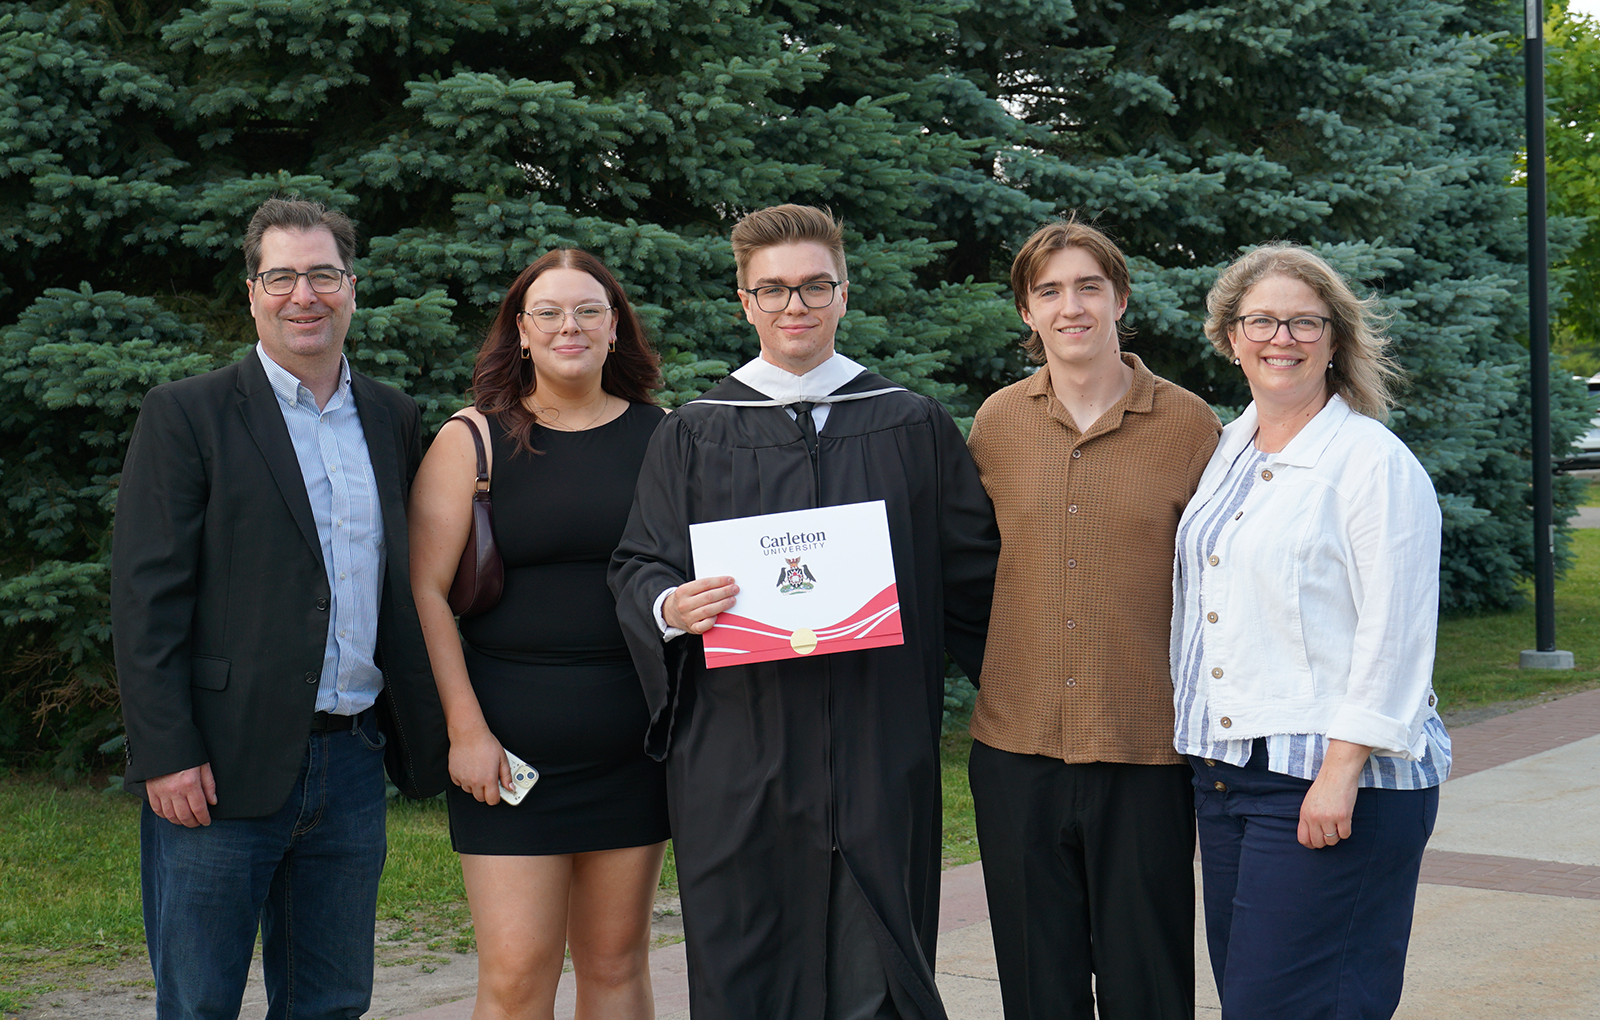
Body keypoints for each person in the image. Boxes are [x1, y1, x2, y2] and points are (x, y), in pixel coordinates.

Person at [608, 204, 1000, 1020]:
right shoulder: (696, 432)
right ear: (745, 301)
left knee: (878, 968)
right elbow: (640, 564)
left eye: (814, 287)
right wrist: (671, 606)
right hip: (739, 751)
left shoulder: (909, 421)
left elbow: (975, 578)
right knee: (747, 960)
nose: (796, 306)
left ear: (843, 293)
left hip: (877, 740)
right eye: (774, 290)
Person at [111, 197, 448, 1019]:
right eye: (283, 276)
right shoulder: (186, 414)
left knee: (330, 1004)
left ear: (353, 288)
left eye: (323, 274)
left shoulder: (392, 416)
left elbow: (405, 584)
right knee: (198, 1004)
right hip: (217, 770)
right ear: (253, 292)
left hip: (352, 762)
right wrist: (166, 752)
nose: (305, 295)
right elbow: (146, 598)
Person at [1173, 243, 1448, 1019]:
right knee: (1257, 999)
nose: (1281, 339)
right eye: (1261, 321)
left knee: (1296, 1003)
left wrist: (1341, 771)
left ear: (1334, 340)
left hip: (1329, 784)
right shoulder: (1228, 449)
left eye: (1304, 322)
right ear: (1230, 337)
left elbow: (1397, 632)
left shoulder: (1370, 462)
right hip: (1231, 776)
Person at [966, 218, 1221, 1019]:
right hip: (1017, 748)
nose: (1070, 307)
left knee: (1148, 984)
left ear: (1120, 298)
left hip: (1145, 747)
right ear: (1026, 313)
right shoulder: (996, 424)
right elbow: (965, 573)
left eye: (1088, 287)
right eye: (1049, 292)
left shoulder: (1191, 426)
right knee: (1039, 990)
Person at [408, 249, 670, 1019]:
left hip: (634, 743)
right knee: (519, 974)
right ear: (520, 331)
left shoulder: (665, 436)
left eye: (589, 310)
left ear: (615, 327)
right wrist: (465, 730)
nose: (570, 326)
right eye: (548, 312)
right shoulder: (474, 440)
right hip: (509, 748)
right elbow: (425, 591)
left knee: (618, 964)